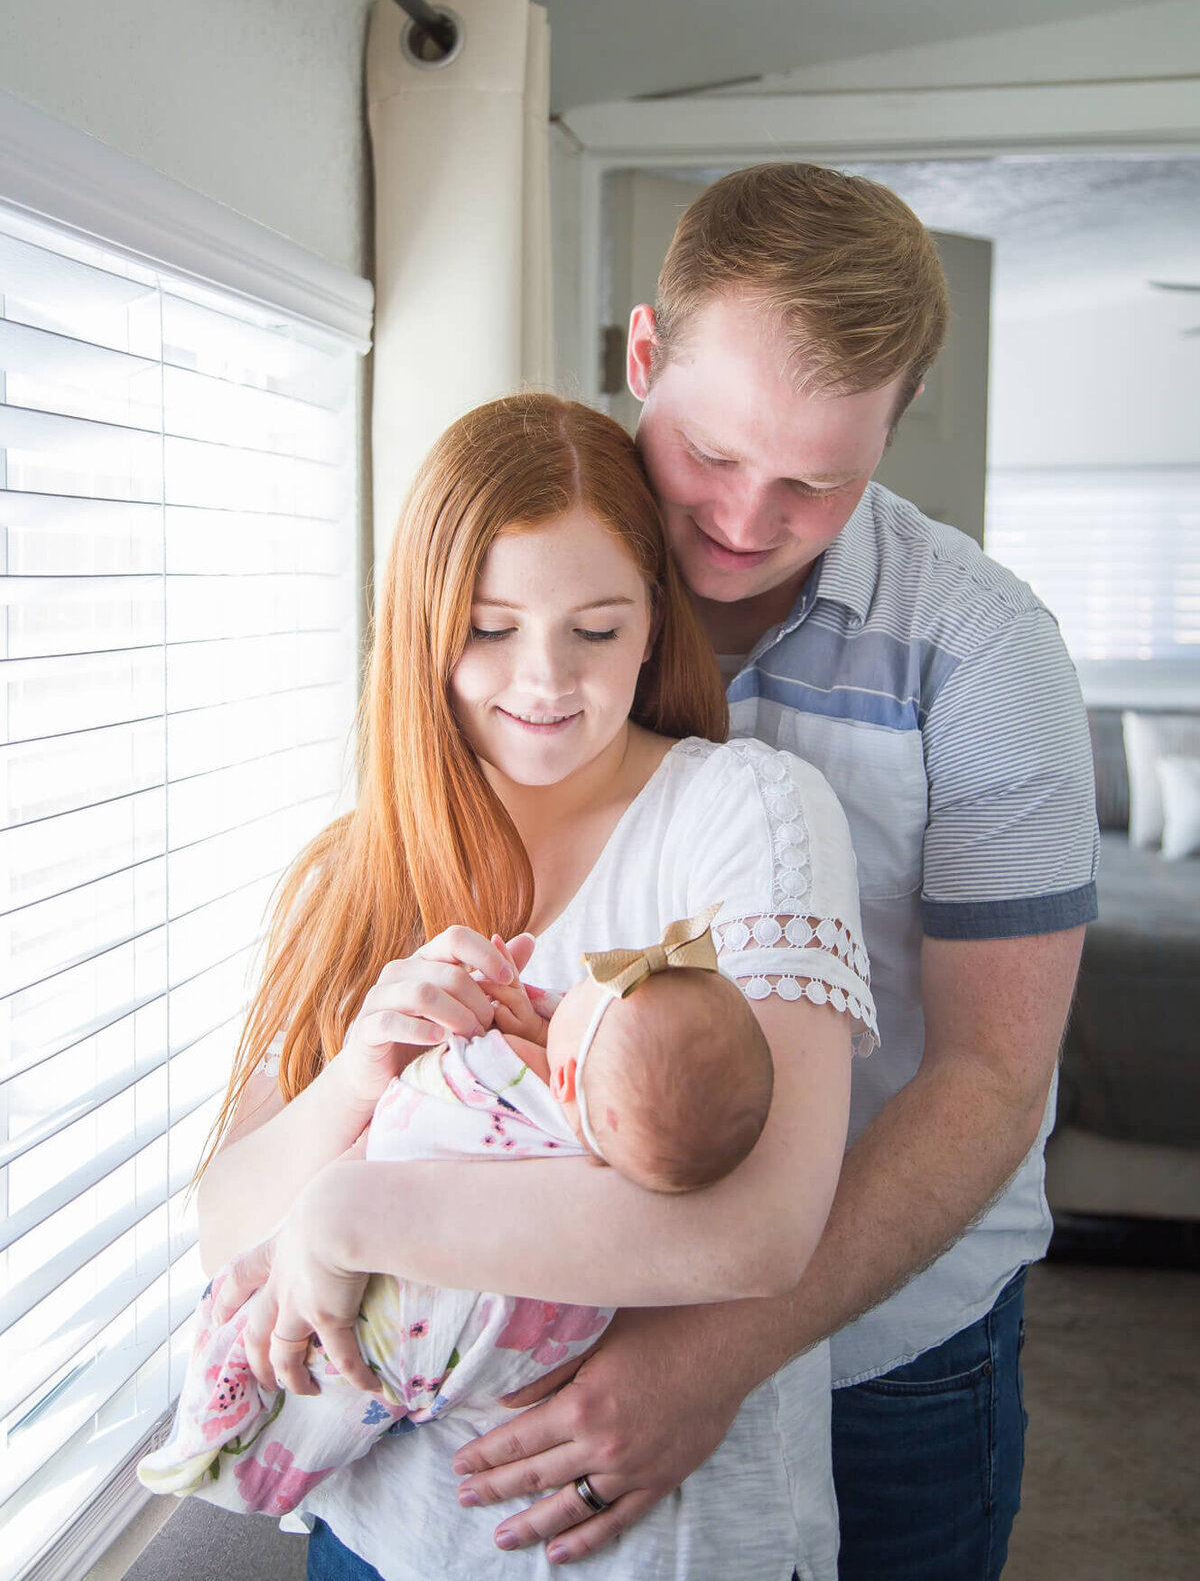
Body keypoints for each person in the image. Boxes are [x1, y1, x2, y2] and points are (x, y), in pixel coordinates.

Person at [451, 165, 1098, 1580]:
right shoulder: (515, 578)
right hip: (542, 1308)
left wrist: (712, 1353)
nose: (747, 520)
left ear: (893, 428)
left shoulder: (984, 652)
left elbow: (992, 1076)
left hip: (886, 1344)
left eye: (819, 480)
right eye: (714, 454)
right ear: (643, 356)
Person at [195, 392, 878, 1580]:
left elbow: (763, 1231)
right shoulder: (358, 874)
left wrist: (357, 1217)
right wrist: (360, 1073)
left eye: (596, 630)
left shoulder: (745, 812)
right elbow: (227, 1223)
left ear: (655, 626)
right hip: (385, 1543)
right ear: (422, 632)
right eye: (492, 629)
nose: (546, 680)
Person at [142, 915, 773, 1514]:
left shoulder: (501, 1077)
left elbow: (466, 1089)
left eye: (574, 998)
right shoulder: (631, 1136)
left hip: (424, 1345)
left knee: (303, 1367)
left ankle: (218, 1454)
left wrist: (500, 1044)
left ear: (566, 1075)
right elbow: (220, 1229)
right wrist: (352, 1079)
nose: (562, 993)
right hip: (422, 1461)